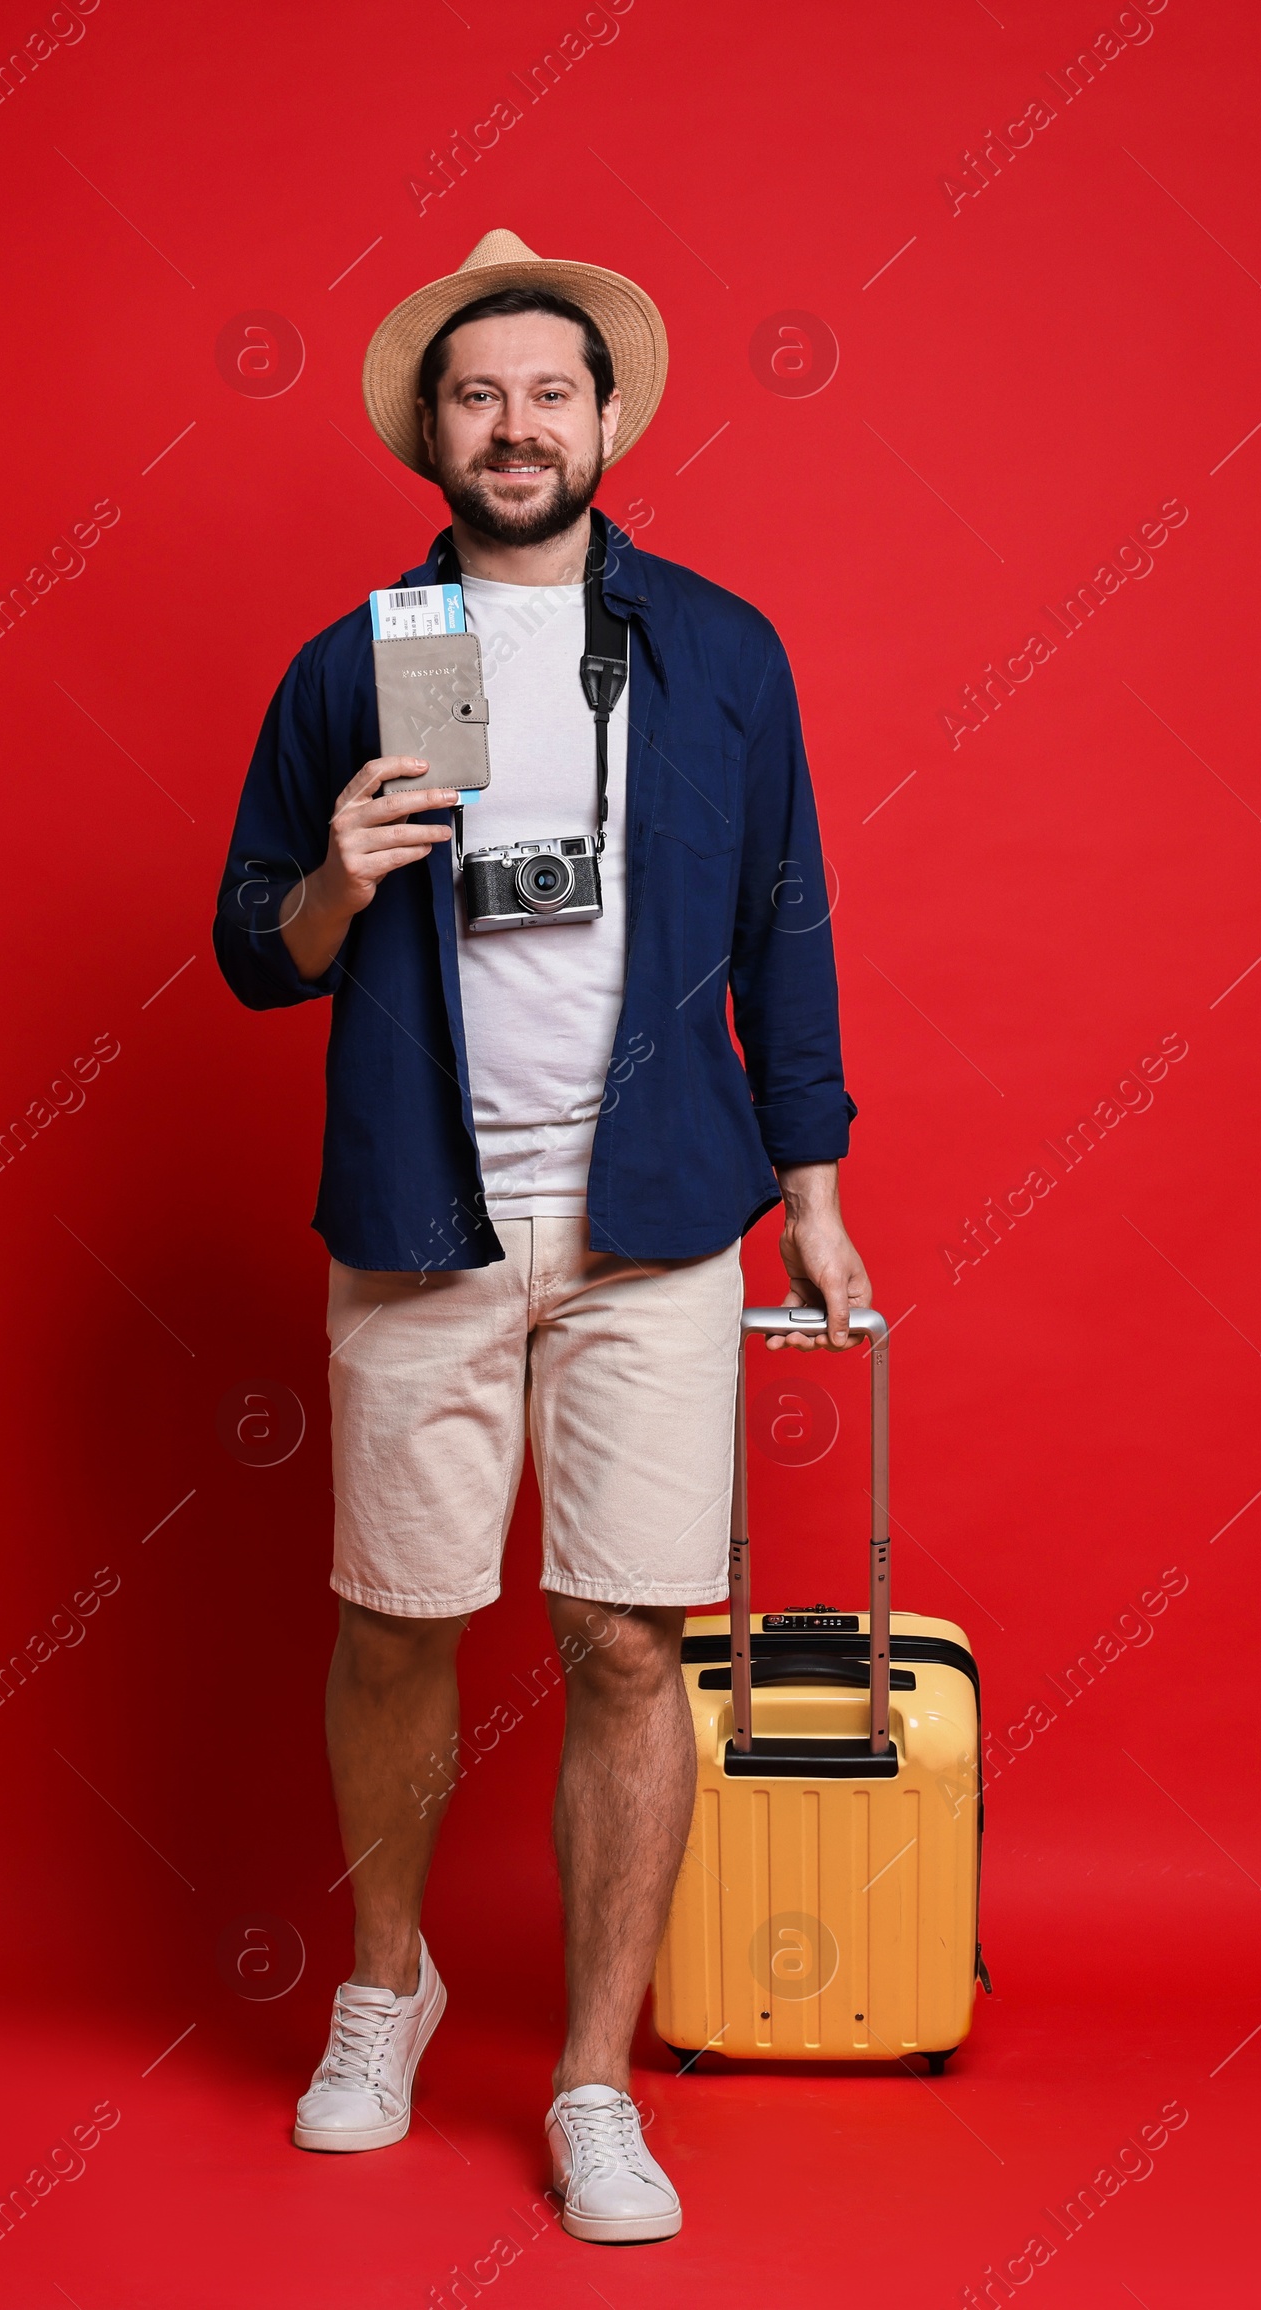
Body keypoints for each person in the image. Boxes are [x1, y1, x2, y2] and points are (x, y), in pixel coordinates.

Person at [212, 227, 869, 2246]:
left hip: (656, 1210)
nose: (514, 424)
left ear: (602, 422)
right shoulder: (359, 658)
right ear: (431, 428)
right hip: (423, 1203)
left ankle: (589, 2079)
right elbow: (254, 955)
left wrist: (816, 1194)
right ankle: (383, 1989)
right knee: (399, 1617)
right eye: (477, 394)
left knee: (622, 1635)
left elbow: (785, 919)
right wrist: (335, 881)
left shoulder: (715, 649)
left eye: (547, 393)